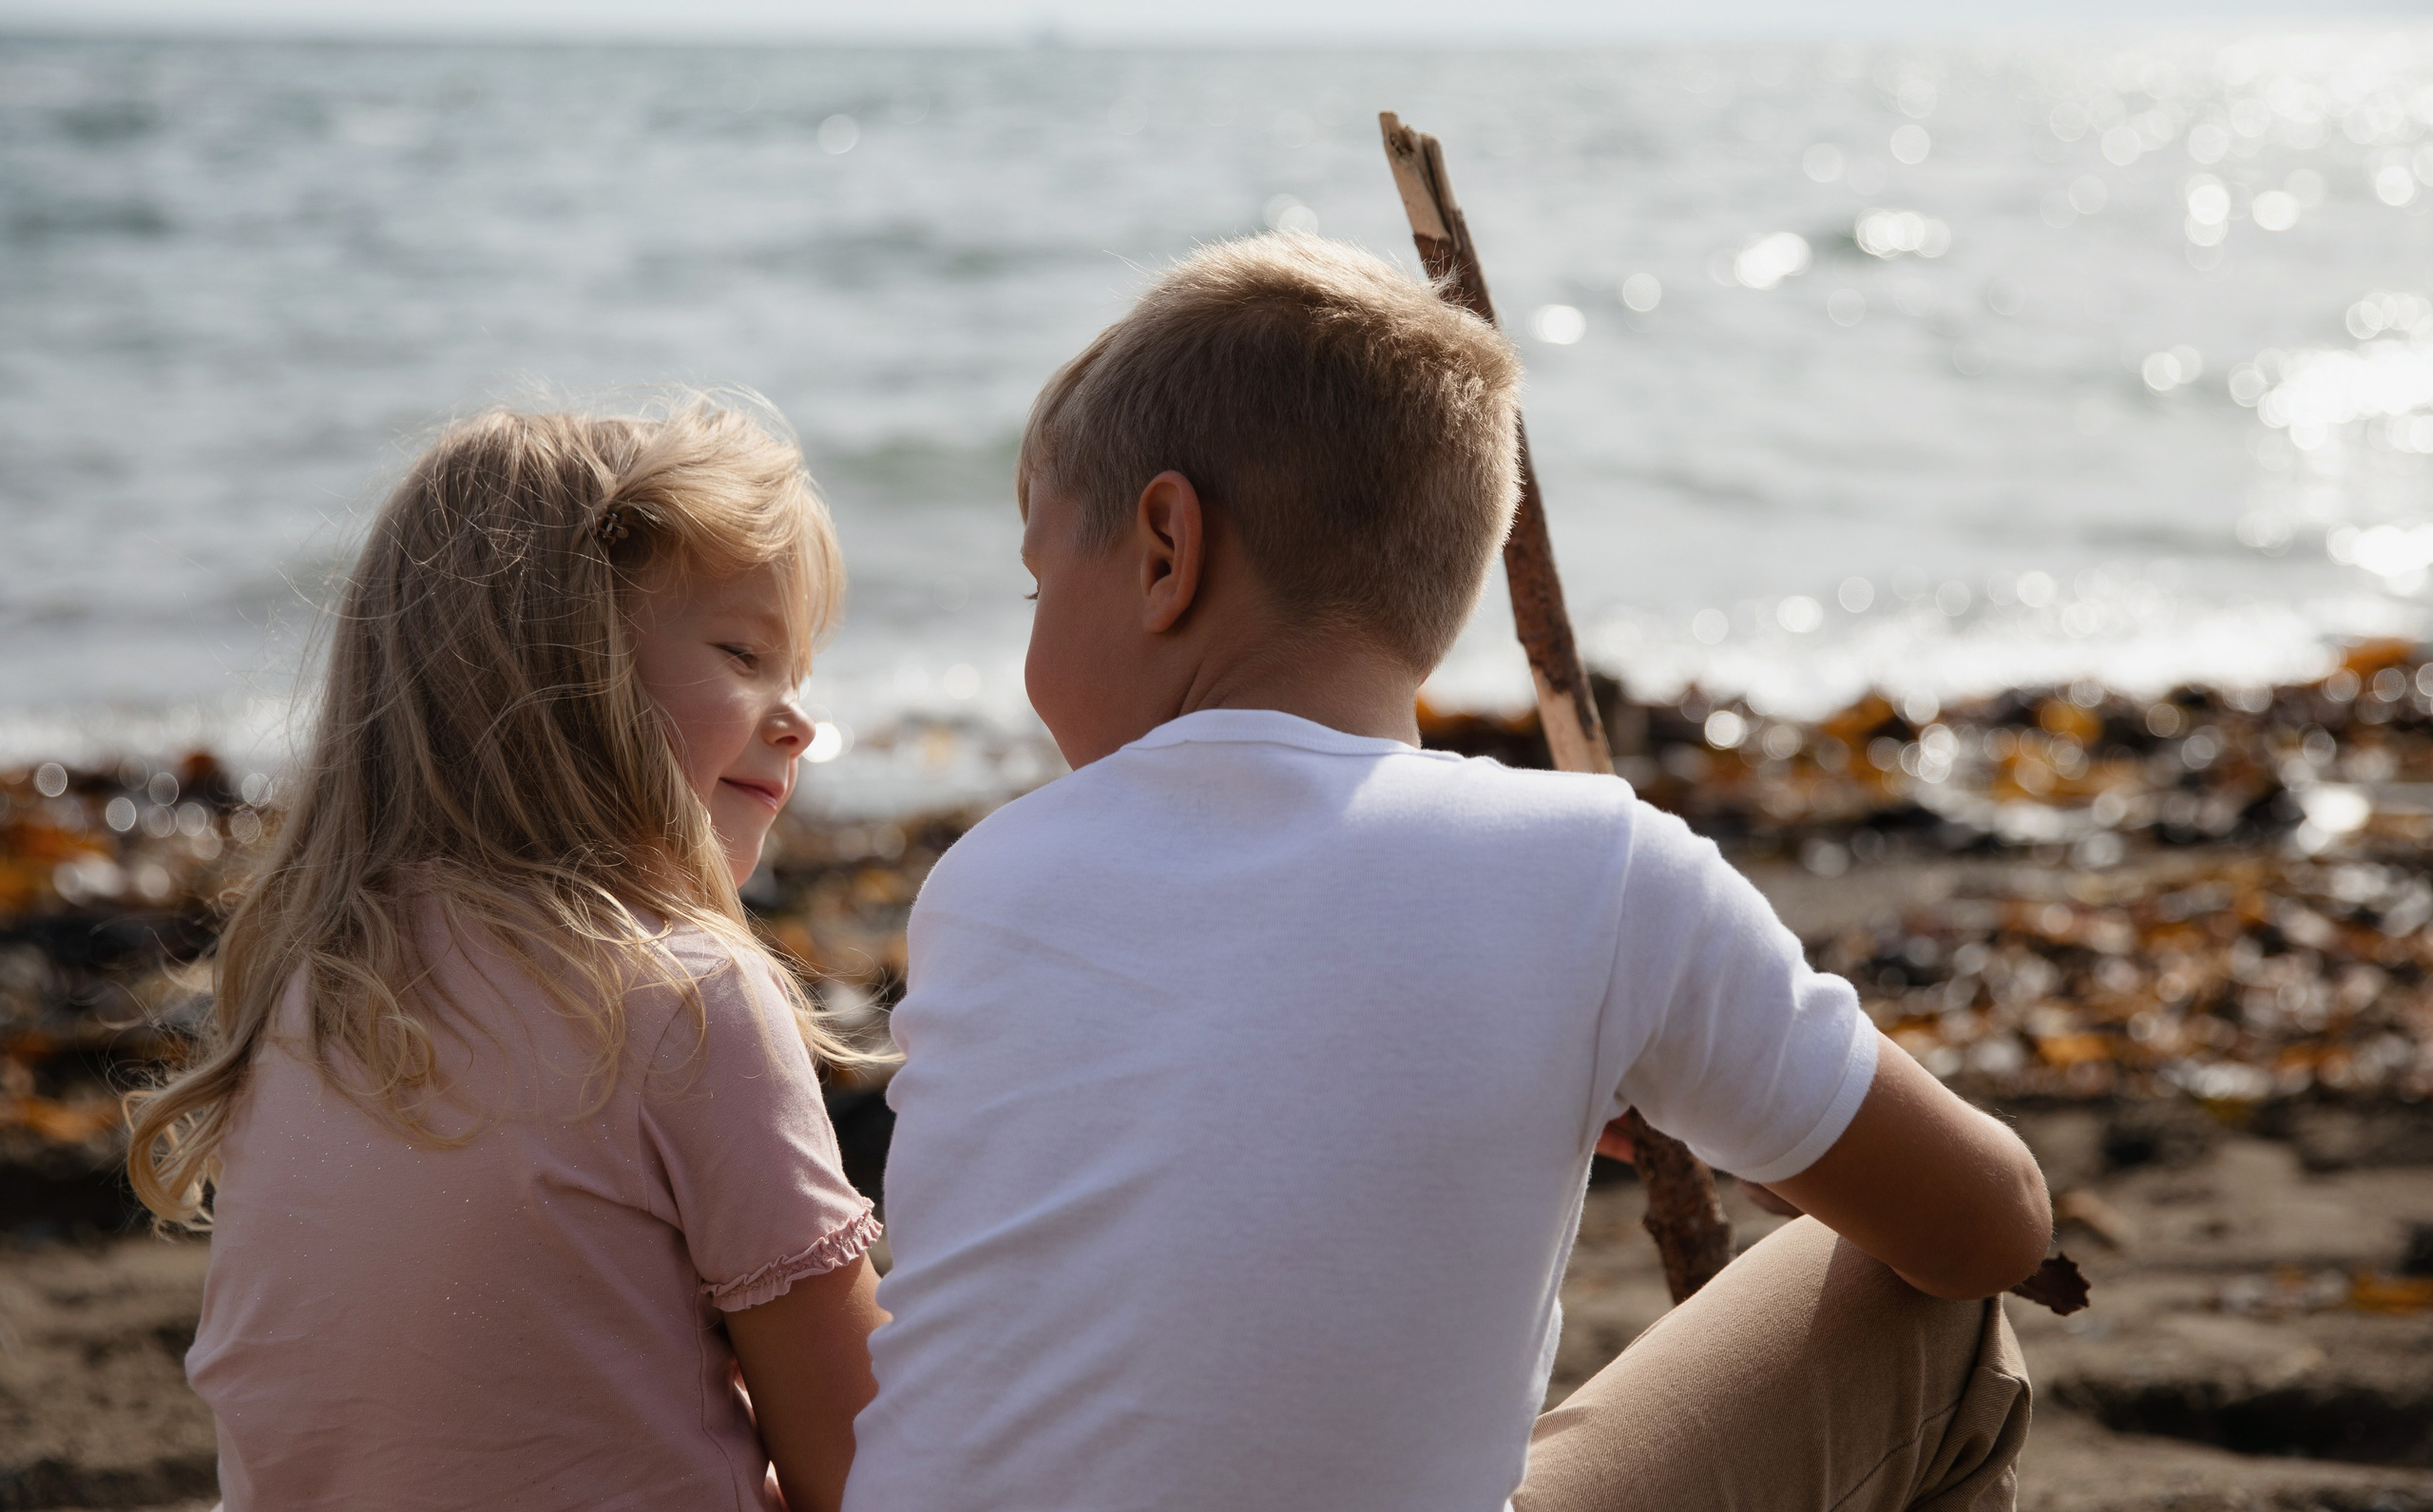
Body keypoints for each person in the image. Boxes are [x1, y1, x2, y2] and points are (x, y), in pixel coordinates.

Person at [846, 237, 2049, 1512]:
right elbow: (1994, 1225)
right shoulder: (1590, 870)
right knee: (1937, 1309)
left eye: (1038, 586)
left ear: (1164, 549)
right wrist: (1734, 1116)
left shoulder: (985, 881)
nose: (1031, 647)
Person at [127, 399, 887, 1512]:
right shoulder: (685, 1002)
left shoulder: (305, 991)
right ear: (557, 678)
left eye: (798, 670)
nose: (799, 720)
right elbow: (866, 1467)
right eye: (743, 654)